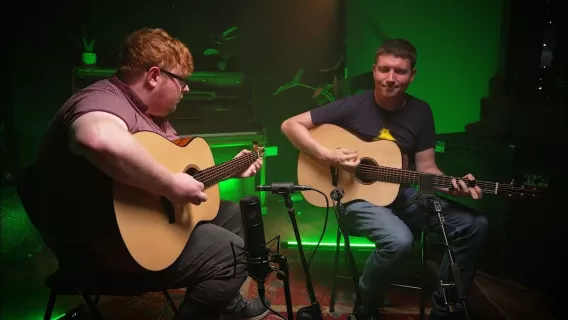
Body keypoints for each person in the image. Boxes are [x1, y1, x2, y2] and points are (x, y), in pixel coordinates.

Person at [32, 27, 269, 320]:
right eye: (182, 81)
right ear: (154, 76)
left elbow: (179, 177)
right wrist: (169, 185)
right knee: (233, 256)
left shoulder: (152, 118)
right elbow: (95, 138)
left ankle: (226, 304)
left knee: (233, 215)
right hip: (104, 251)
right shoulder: (102, 99)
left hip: (140, 229)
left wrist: (230, 169)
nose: (187, 89)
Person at [280, 39, 488, 319]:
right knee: (399, 241)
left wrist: (453, 186)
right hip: (354, 199)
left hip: (402, 195)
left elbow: (427, 169)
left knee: (474, 225)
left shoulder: (421, 111)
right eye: (384, 69)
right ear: (374, 70)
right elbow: (290, 125)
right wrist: (326, 155)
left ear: (412, 75)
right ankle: (364, 307)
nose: (390, 79)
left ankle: (445, 310)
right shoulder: (354, 105)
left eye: (400, 72)